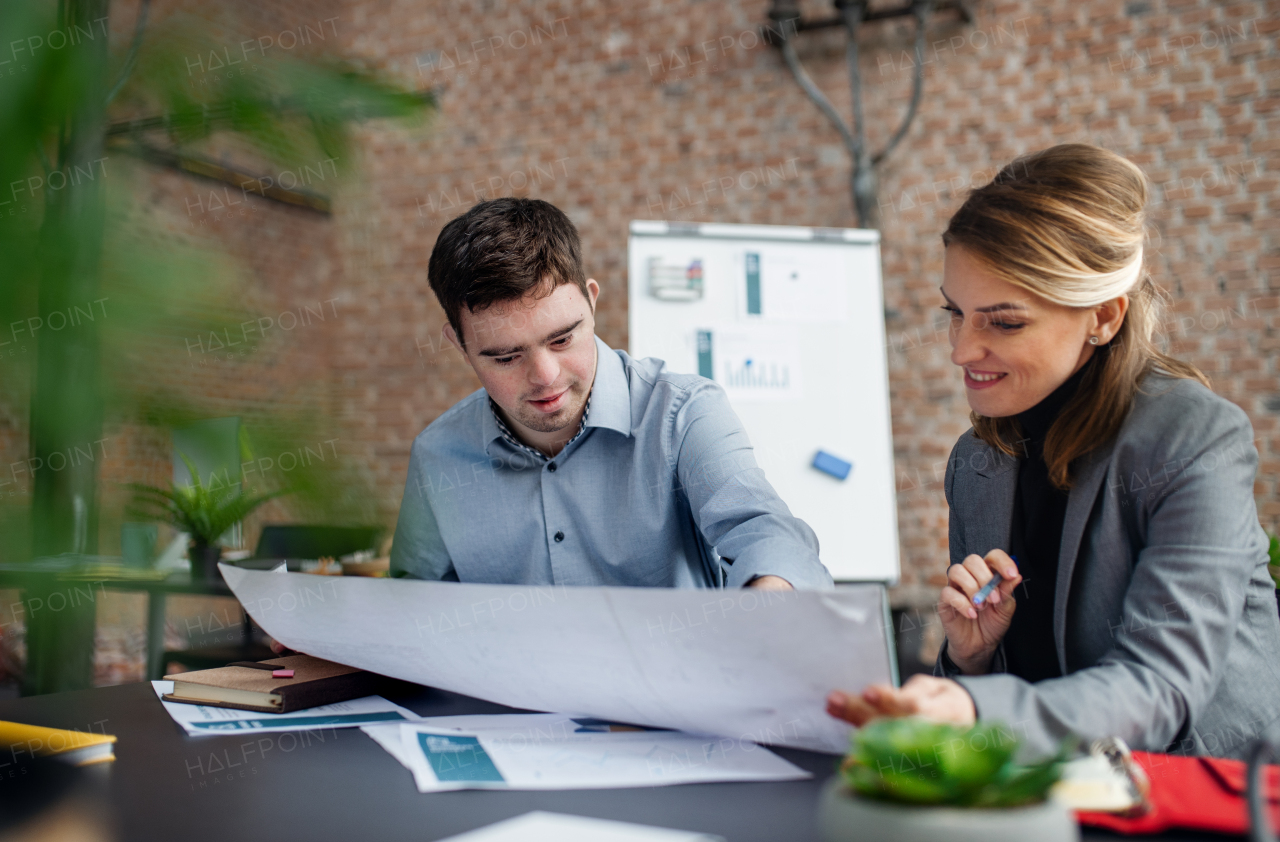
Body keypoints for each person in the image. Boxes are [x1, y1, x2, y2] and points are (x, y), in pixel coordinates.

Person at [826, 144, 1280, 760]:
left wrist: (974, 708)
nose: (961, 350)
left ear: (1104, 317)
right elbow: (1003, 705)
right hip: (1048, 795)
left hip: (1198, 800)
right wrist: (972, 659)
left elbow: (1161, 686)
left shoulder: (1195, 439)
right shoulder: (976, 461)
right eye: (954, 313)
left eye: (1003, 323)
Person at [390, 197, 832, 591]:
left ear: (592, 302)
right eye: (506, 357)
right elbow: (415, 612)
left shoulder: (682, 416)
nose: (545, 376)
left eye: (562, 339)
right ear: (460, 346)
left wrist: (771, 599)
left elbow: (764, 530)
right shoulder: (437, 457)